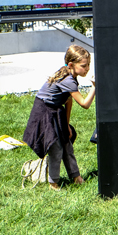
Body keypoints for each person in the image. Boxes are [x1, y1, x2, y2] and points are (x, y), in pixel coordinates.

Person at [23, 45, 96, 191]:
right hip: (44, 112)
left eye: (88, 64)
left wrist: (66, 125)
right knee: (55, 147)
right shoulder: (68, 80)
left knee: (66, 143)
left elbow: (68, 100)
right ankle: (53, 183)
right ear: (71, 65)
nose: (87, 68)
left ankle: (76, 177)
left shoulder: (70, 76)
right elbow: (84, 104)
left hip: (56, 110)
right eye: (84, 65)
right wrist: (95, 87)